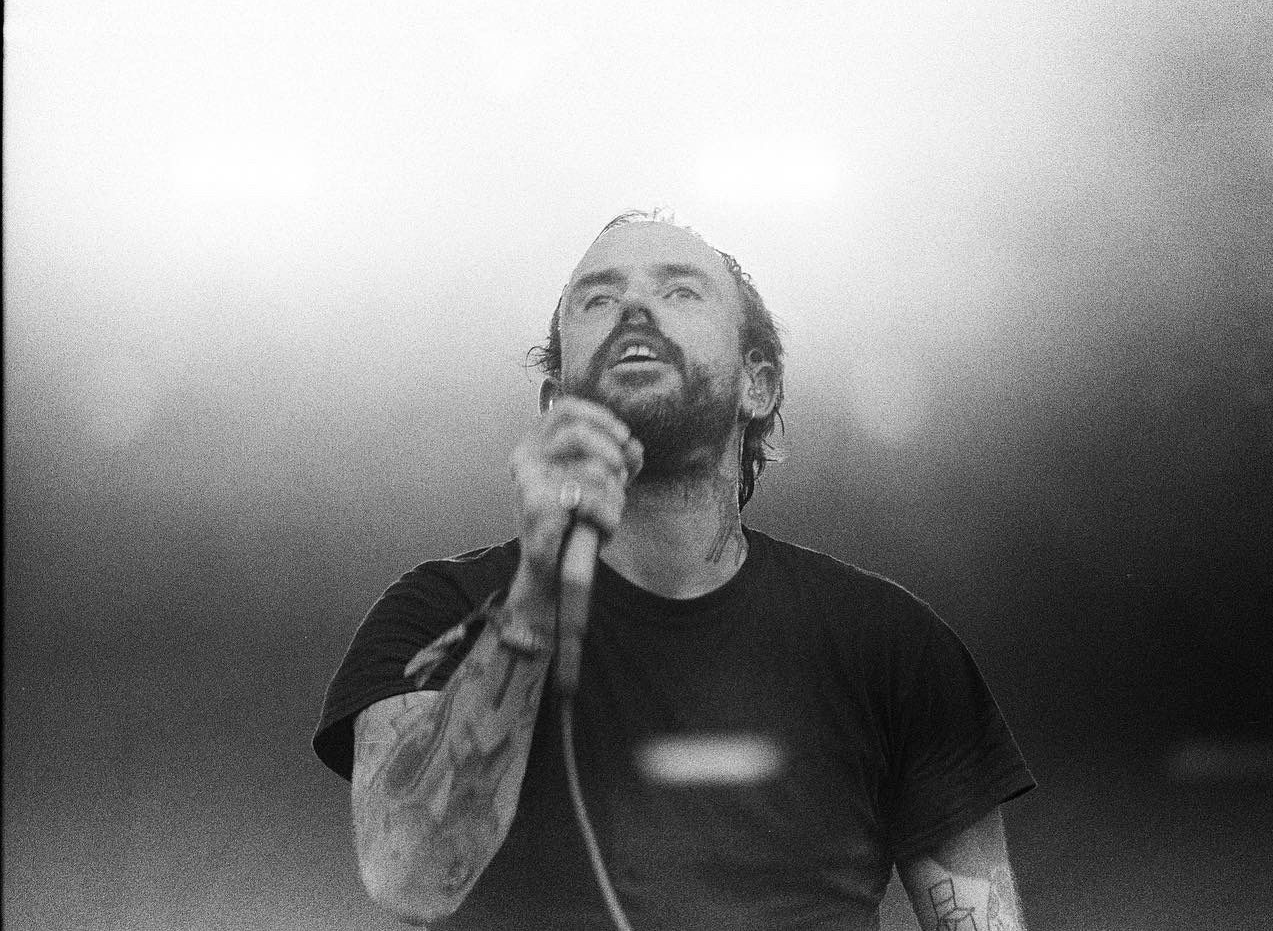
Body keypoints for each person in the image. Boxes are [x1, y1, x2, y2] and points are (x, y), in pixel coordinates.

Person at [313, 211, 1036, 930]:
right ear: (555, 403)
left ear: (758, 383)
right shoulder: (434, 612)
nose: (634, 307)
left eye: (681, 291)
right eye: (597, 299)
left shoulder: (890, 646)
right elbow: (408, 878)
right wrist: (534, 595)